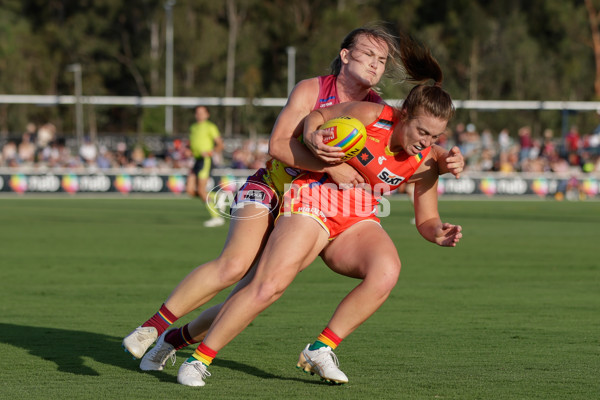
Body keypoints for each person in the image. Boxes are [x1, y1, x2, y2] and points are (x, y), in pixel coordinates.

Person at [122, 26, 463, 376]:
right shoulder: (312, 89)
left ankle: (174, 340)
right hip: (273, 186)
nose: (377, 65)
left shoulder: (374, 108)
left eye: (382, 59)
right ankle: (150, 327)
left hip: (318, 205)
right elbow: (278, 146)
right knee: (234, 266)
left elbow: (416, 138)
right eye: (368, 55)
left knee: (255, 292)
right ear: (345, 54)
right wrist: (332, 166)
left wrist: (444, 158)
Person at [186, 105, 225, 227]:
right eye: (197, 112)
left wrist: (210, 152)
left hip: (205, 160)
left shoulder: (210, 127)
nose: (199, 115)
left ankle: (216, 217)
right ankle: (218, 196)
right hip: (196, 160)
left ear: (207, 114)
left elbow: (220, 145)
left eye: (202, 113)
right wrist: (189, 151)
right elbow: (191, 145)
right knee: (190, 190)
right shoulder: (193, 127)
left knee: (202, 190)